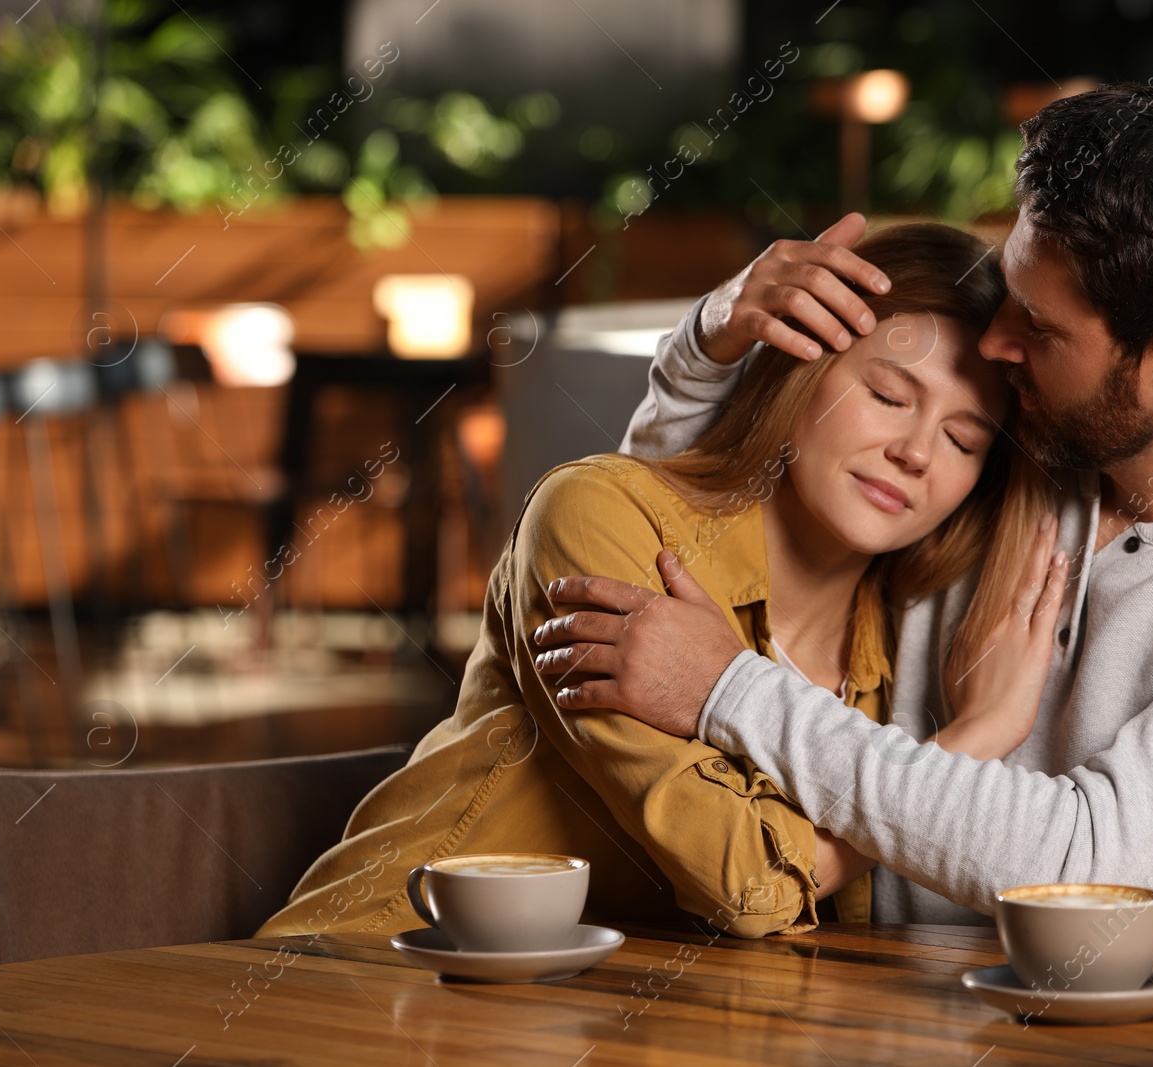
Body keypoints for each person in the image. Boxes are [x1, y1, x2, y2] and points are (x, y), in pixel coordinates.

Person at [533, 84, 1153, 962]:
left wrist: (729, 691)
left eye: (1040, 328)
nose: (997, 345)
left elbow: (1084, 864)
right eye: (1008, 292)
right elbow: (709, 536)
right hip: (893, 1019)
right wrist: (707, 347)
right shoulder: (1006, 444)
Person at [258, 221, 1061, 940]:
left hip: (575, 1028)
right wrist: (971, 741)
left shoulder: (888, 659)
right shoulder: (599, 517)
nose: (916, 452)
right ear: (799, 372)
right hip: (366, 977)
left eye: (963, 440)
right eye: (889, 394)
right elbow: (749, 889)